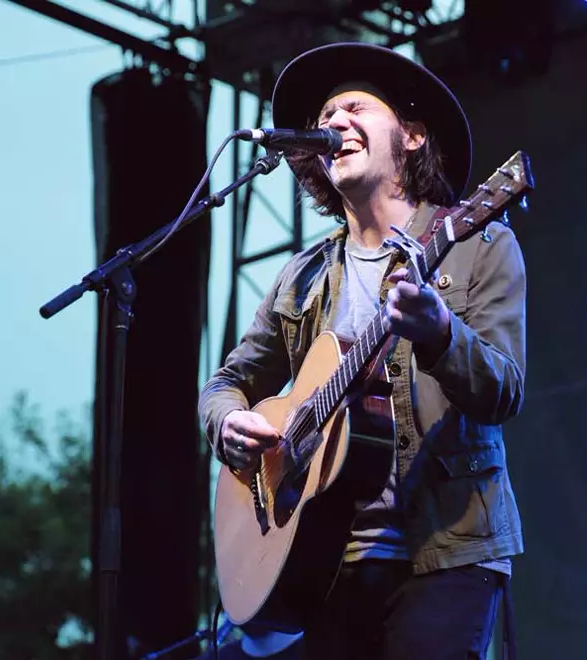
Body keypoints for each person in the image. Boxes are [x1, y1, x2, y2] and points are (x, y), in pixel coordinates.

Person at [199, 42, 527, 659]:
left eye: (353, 107)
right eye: (324, 117)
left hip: (445, 554)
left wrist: (440, 333)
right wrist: (228, 424)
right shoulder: (300, 277)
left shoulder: (476, 243)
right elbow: (227, 383)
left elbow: (504, 391)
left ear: (411, 136)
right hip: (324, 564)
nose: (332, 123)